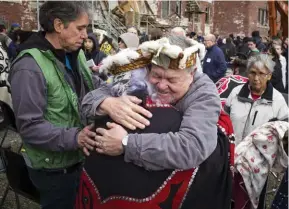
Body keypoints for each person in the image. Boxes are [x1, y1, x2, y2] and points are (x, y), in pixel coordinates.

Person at [78, 35, 232, 209]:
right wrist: (108, 103)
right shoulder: (137, 73)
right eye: (157, 75)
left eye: (172, 80)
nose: (161, 85)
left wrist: (126, 143)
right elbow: (87, 101)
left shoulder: (203, 93)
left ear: (191, 74)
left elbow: (193, 146)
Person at [8, 2, 104, 208]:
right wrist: (76, 137)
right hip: (54, 171)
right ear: (59, 25)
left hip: (78, 160)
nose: (85, 36)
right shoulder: (29, 67)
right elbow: (30, 127)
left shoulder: (74, 54)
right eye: (80, 28)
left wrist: (111, 94)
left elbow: (91, 85)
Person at [224, 54, 288, 145]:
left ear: (269, 76)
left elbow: (285, 132)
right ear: (247, 73)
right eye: (252, 73)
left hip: (259, 157)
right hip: (232, 151)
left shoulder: (277, 100)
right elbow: (224, 121)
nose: (256, 78)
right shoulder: (236, 93)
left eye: (261, 74)